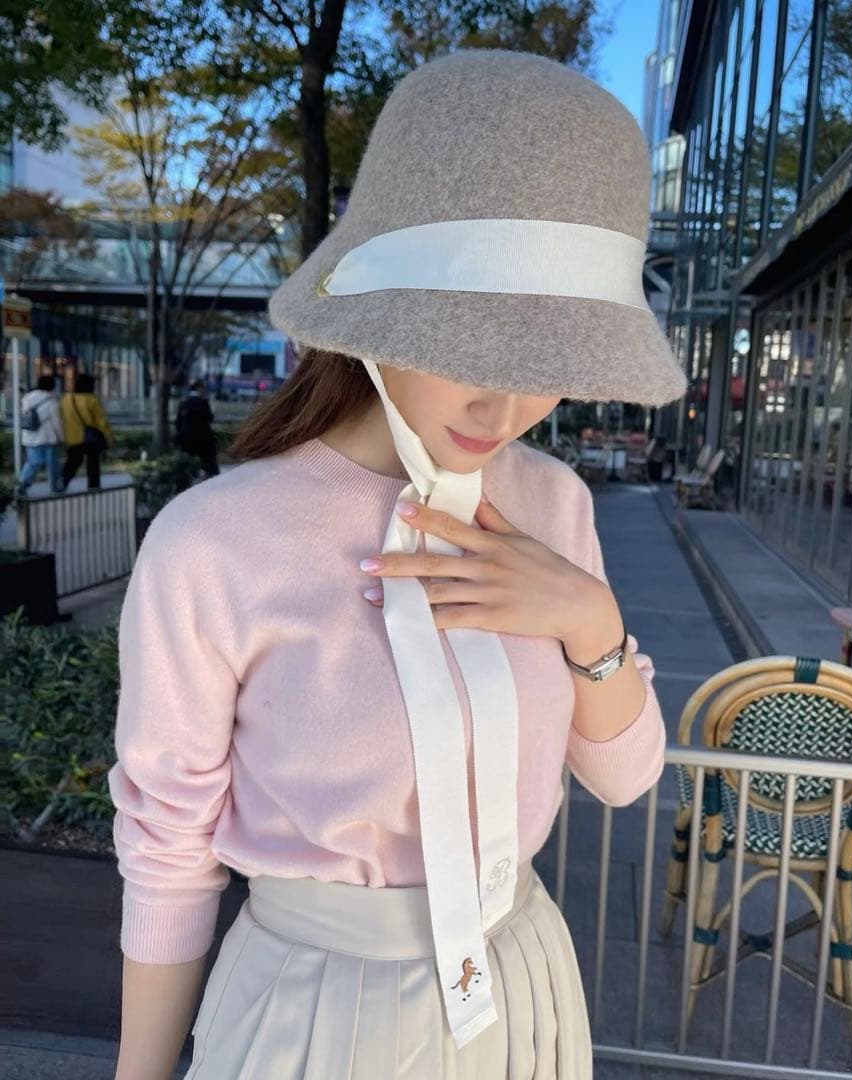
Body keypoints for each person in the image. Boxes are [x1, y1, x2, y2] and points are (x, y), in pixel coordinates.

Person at [109, 50, 686, 1080]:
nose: (506, 407)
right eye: (472, 347)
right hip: (313, 1008)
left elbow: (626, 778)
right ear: (384, 314)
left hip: (523, 988)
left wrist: (587, 620)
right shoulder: (216, 542)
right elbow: (167, 848)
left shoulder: (553, 504)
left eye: (549, 361)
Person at [60, 373, 112, 491]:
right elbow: (101, 422)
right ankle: (93, 487)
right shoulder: (92, 400)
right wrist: (108, 436)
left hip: (73, 437)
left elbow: (61, 417)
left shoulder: (66, 399)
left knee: (72, 462)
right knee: (93, 463)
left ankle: (62, 484)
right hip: (91, 438)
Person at [15, 375, 65, 497]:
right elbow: (57, 422)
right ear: (52, 386)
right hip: (48, 437)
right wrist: (62, 437)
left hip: (29, 436)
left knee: (32, 462)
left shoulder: (27, 398)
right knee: (53, 464)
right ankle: (54, 486)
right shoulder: (52, 401)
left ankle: (22, 485)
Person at [175, 379, 219, 477]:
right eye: (203, 388)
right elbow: (209, 419)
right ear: (199, 388)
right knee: (210, 461)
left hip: (185, 439)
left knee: (186, 463)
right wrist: (213, 409)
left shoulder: (183, 402)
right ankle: (212, 476)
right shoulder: (202, 402)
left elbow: (178, 423)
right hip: (202, 439)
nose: (205, 390)